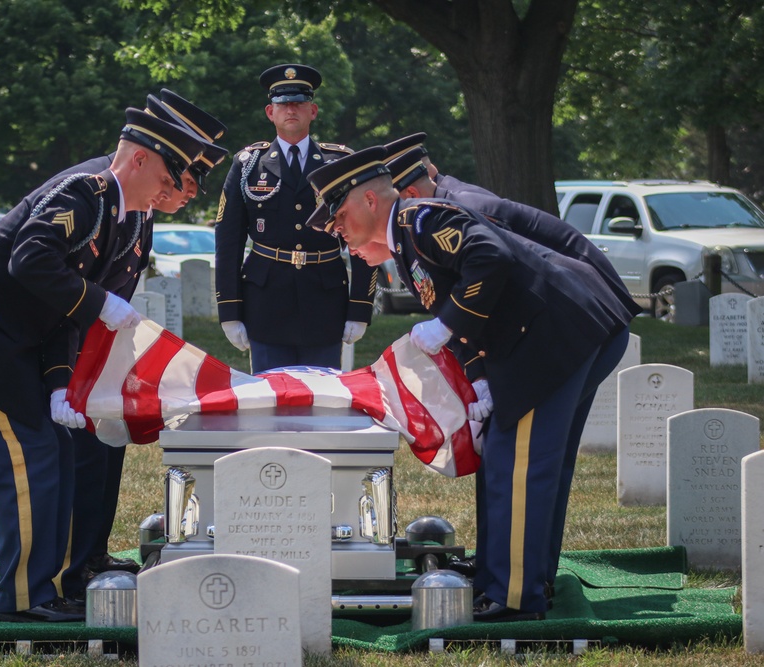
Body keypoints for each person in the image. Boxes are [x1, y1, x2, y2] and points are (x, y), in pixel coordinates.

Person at [305, 146, 636, 622]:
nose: (337, 230)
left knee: (518, 464)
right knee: (520, 458)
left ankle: (515, 597)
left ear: (370, 201)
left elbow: (489, 258)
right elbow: (464, 321)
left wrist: (446, 323)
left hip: (552, 338)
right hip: (554, 338)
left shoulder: (419, 219)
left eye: (338, 216)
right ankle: (519, 577)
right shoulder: (407, 238)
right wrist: (478, 382)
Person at [0, 108, 207, 623]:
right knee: (26, 459)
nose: (165, 192)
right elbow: (32, 260)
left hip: (9, 338)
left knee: (56, 451)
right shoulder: (85, 193)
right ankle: (21, 600)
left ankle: (48, 585)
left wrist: (59, 384)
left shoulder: (117, 214)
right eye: (163, 178)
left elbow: (60, 315)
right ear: (137, 159)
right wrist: (98, 302)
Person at [382, 140, 644, 593]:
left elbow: (514, 270)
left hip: (571, 318)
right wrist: (481, 381)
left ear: (407, 192)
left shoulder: (456, 208)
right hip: (552, 324)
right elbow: (464, 306)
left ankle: (516, 586)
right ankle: (509, 572)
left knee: (524, 457)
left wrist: (598, 302)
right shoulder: (421, 224)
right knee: (525, 455)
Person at [62, 92, 228, 599]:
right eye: (183, 181)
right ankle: (70, 564)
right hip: (66, 347)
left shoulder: (141, 205)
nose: (185, 194)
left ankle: (91, 552)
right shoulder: (96, 187)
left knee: (106, 451)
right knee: (83, 457)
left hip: (97, 346)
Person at [214, 64, 375, 373]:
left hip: (324, 301)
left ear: (312, 110)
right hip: (265, 303)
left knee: (324, 402)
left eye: (299, 102)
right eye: (282, 103)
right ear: (269, 112)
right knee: (270, 401)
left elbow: (364, 235)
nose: (291, 108)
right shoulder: (249, 163)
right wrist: (229, 310)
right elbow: (229, 240)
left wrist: (360, 307)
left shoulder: (340, 163)